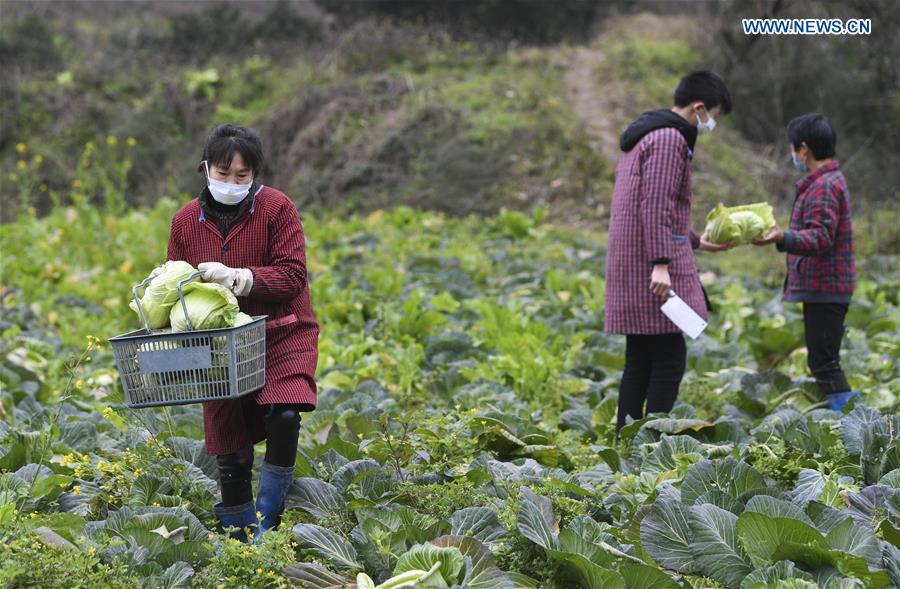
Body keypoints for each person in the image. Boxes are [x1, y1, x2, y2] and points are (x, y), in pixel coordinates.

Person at [154, 123, 319, 542]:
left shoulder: (277, 209)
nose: (231, 183)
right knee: (230, 443)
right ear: (205, 168)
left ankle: (269, 522)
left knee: (284, 415)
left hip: (282, 331)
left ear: (255, 175)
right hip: (219, 344)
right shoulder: (186, 221)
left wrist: (240, 278)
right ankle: (237, 538)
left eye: (241, 176)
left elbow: (293, 277)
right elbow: (178, 285)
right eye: (223, 174)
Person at [604, 70, 733, 431]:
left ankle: (626, 439)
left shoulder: (647, 135)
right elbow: (656, 205)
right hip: (651, 267)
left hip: (634, 259)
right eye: (714, 116)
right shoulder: (669, 140)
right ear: (699, 107)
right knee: (670, 359)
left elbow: (659, 209)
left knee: (640, 358)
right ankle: (652, 440)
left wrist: (696, 239)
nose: (711, 124)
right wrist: (661, 263)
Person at [752, 113, 857, 410]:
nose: (792, 154)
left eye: (792, 148)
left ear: (804, 149)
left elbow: (821, 237)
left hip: (827, 288)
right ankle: (846, 419)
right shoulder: (823, 182)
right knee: (823, 360)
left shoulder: (824, 186)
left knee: (825, 363)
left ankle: (854, 422)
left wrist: (782, 237)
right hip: (823, 288)